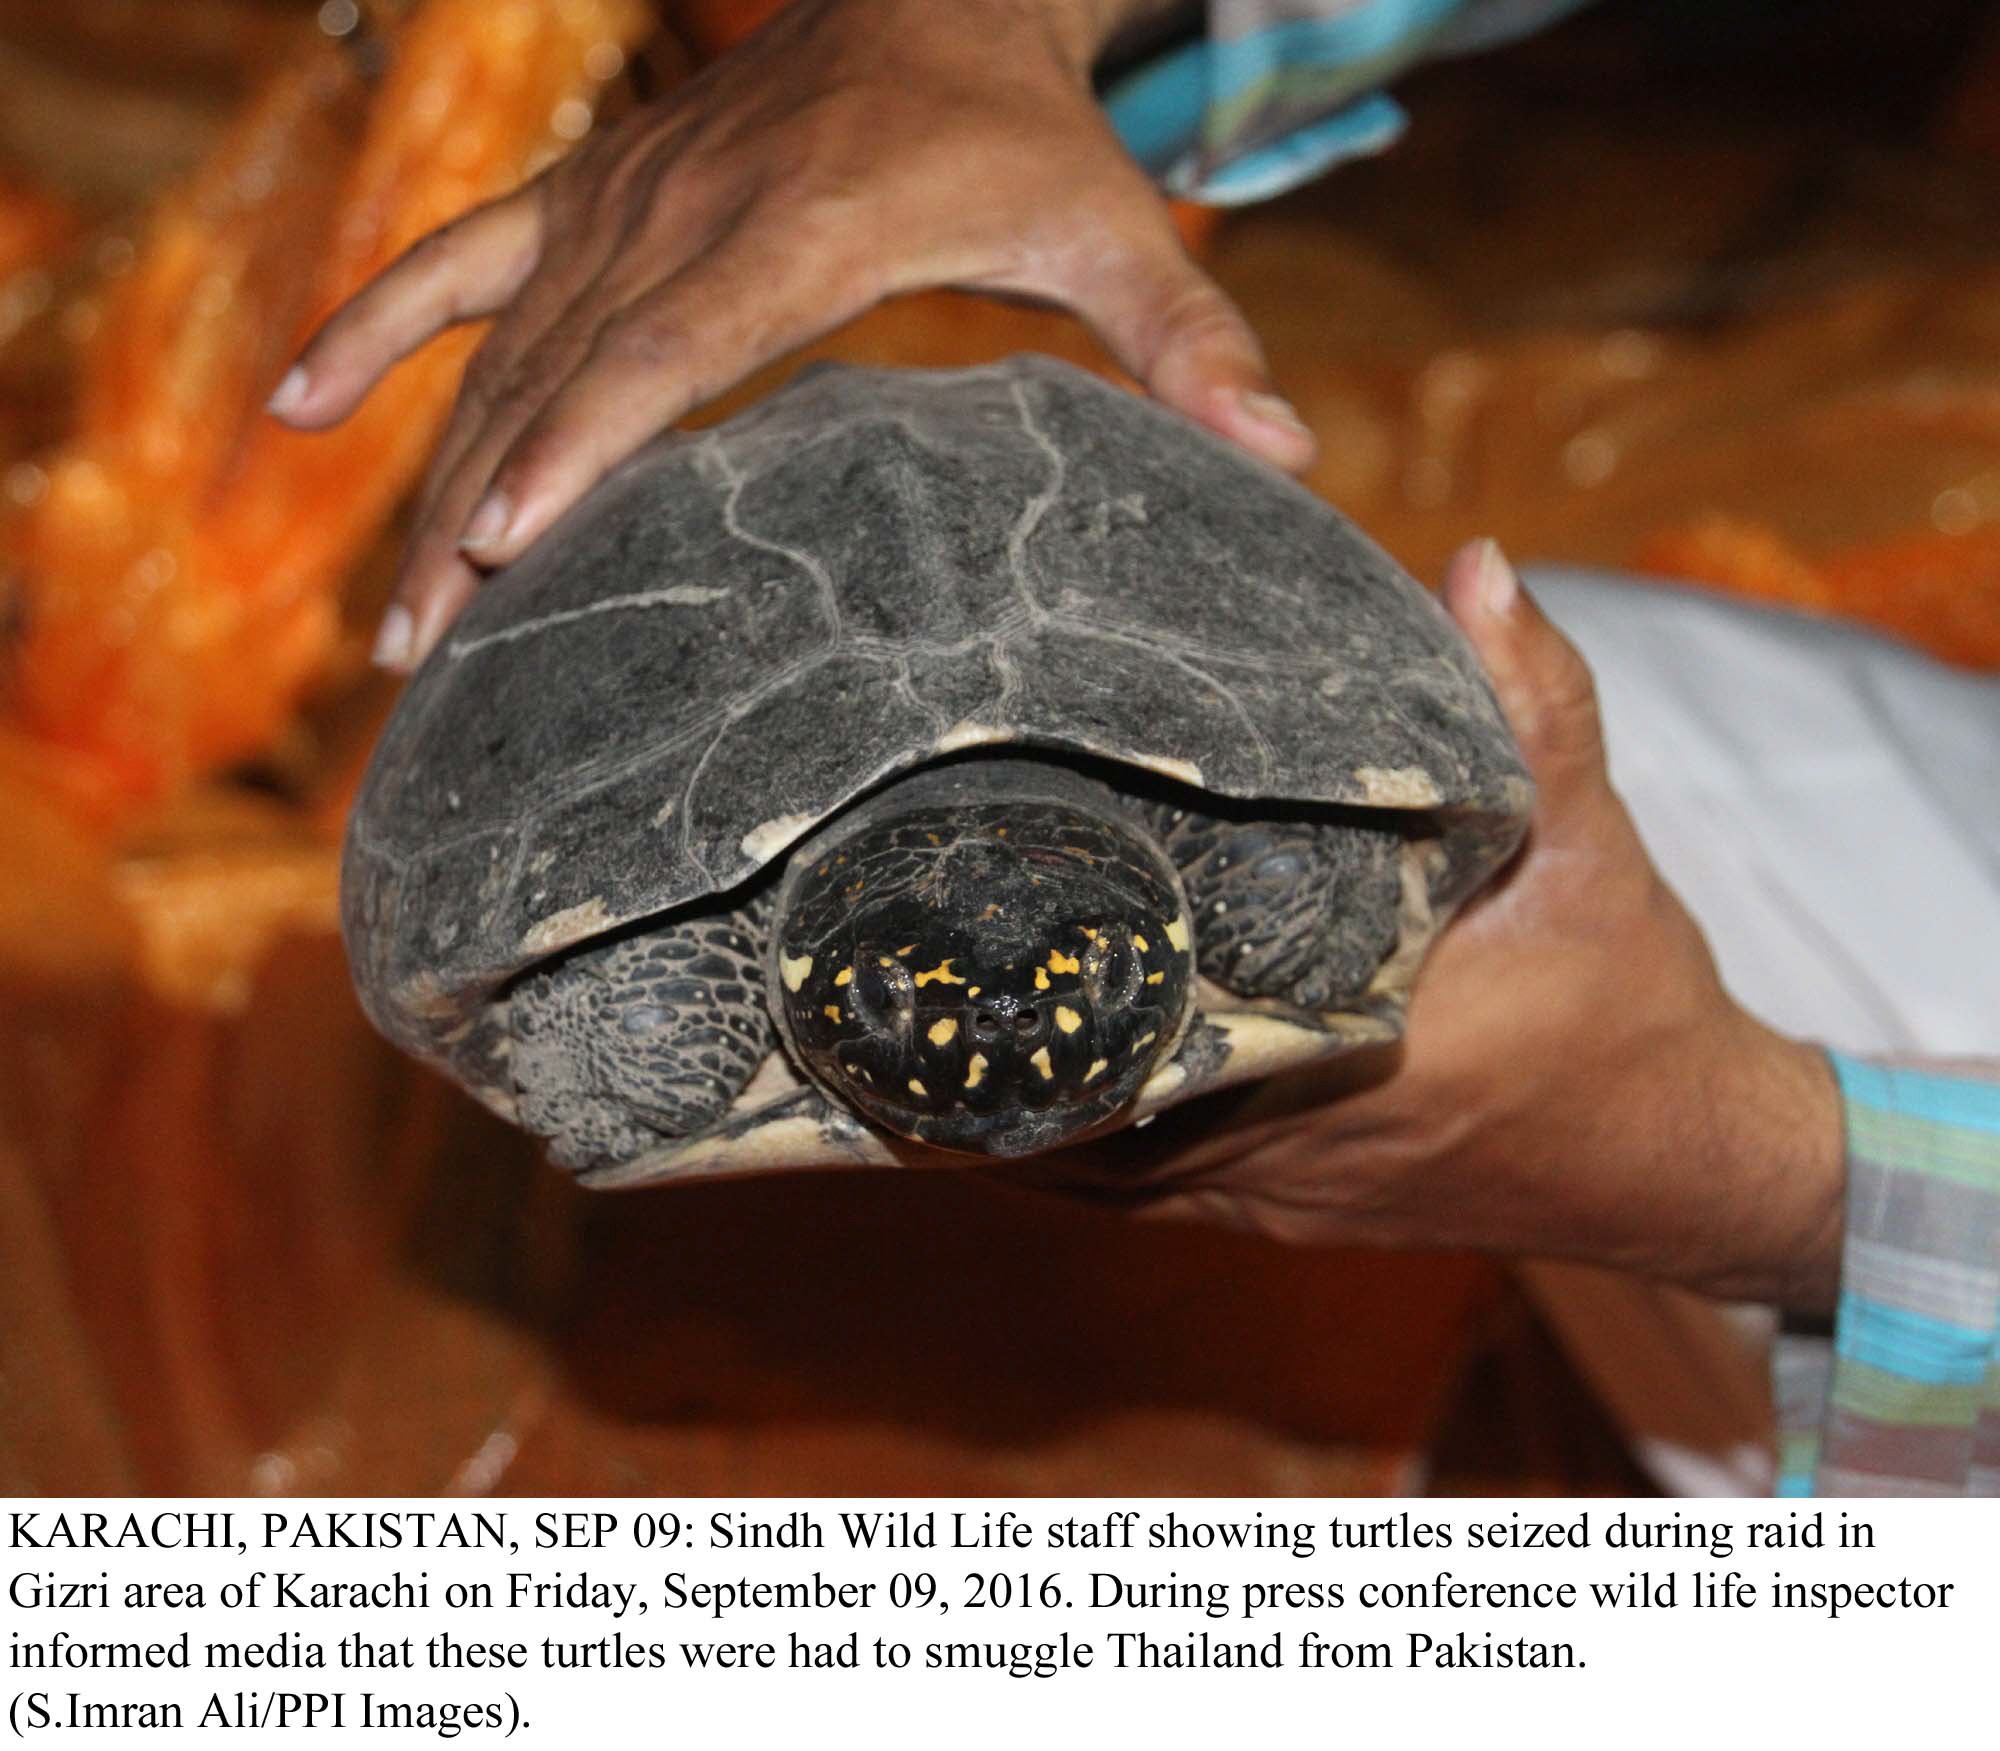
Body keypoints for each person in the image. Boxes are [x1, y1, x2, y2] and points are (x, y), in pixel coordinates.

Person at [270, 0, 2000, 1494]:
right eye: (908, 1007)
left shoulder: (1241, 892)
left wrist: (1738, 1172)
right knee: (1612, 717)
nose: (1020, 1045)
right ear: (805, 978)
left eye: (1092, 982)